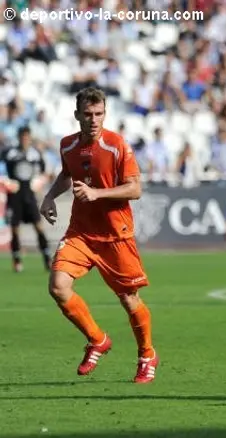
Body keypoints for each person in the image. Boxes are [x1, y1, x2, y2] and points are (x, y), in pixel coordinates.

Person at [39, 87, 158, 383]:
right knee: (58, 286)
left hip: (115, 235)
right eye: (88, 114)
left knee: (129, 299)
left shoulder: (117, 146)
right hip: (81, 232)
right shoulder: (68, 146)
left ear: (105, 113)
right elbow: (67, 174)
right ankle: (97, 339)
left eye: (99, 114)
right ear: (77, 115)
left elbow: (135, 188)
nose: (94, 120)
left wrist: (97, 193)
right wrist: (49, 197)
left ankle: (146, 354)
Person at [0, 126, 51, 272]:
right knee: (15, 229)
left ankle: (47, 258)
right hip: (14, 195)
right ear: (19, 137)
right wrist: (5, 181)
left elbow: (45, 172)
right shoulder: (9, 153)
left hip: (29, 194)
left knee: (38, 226)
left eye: (27, 137)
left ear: (30, 137)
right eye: (22, 136)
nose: (25, 139)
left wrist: (39, 181)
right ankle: (17, 261)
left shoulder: (35, 153)